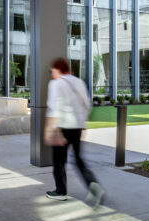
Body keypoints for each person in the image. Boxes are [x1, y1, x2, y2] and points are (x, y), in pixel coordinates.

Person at [44, 57, 105, 208]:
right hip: (77, 127)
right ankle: (93, 185)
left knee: (58, 161)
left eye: (53, 71)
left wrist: (49, 131)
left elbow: (54, 108)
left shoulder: (56, 83)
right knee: (78, 160)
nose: (52, 74)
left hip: (62, 128)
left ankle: (60, 191)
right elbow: (87, 105)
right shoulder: (78, 82)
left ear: (58, 70)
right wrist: (81, 124)